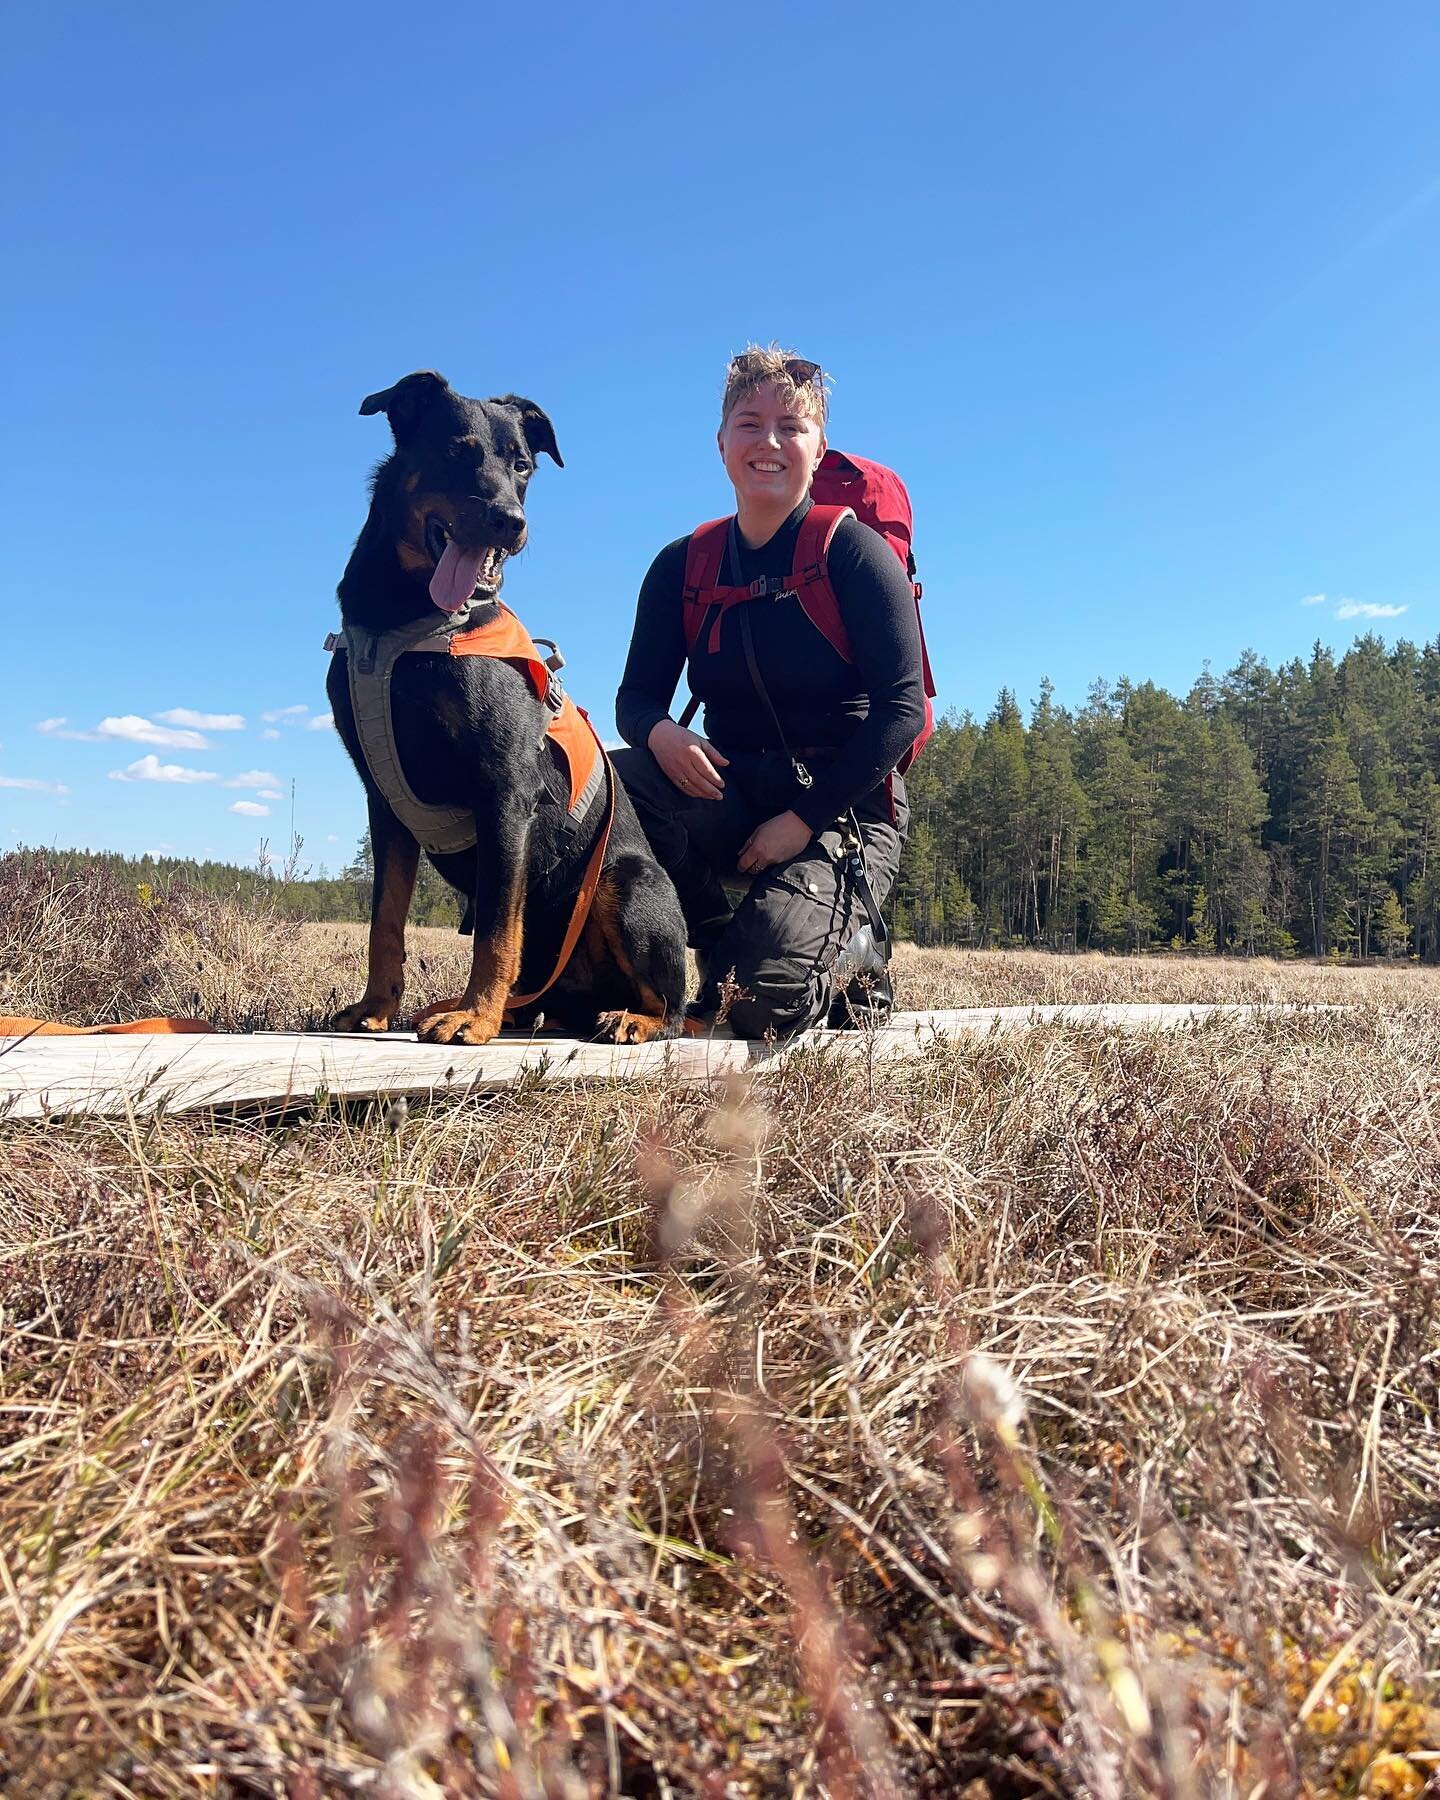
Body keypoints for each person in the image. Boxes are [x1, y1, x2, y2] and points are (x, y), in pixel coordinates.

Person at [612, 346, 926, 1040]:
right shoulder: (681, 566)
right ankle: (719, 940)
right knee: (610, 784)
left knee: (749, 1007)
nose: (770, 443)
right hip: (734, 792)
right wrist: (664, 736)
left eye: (792, 425)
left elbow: (902, 710)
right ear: (721, 443)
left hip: (845, 810)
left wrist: (803, 818)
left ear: (819, 448)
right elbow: (634, 701)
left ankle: (854, 955)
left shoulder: (853, 553)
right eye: (750, 424)